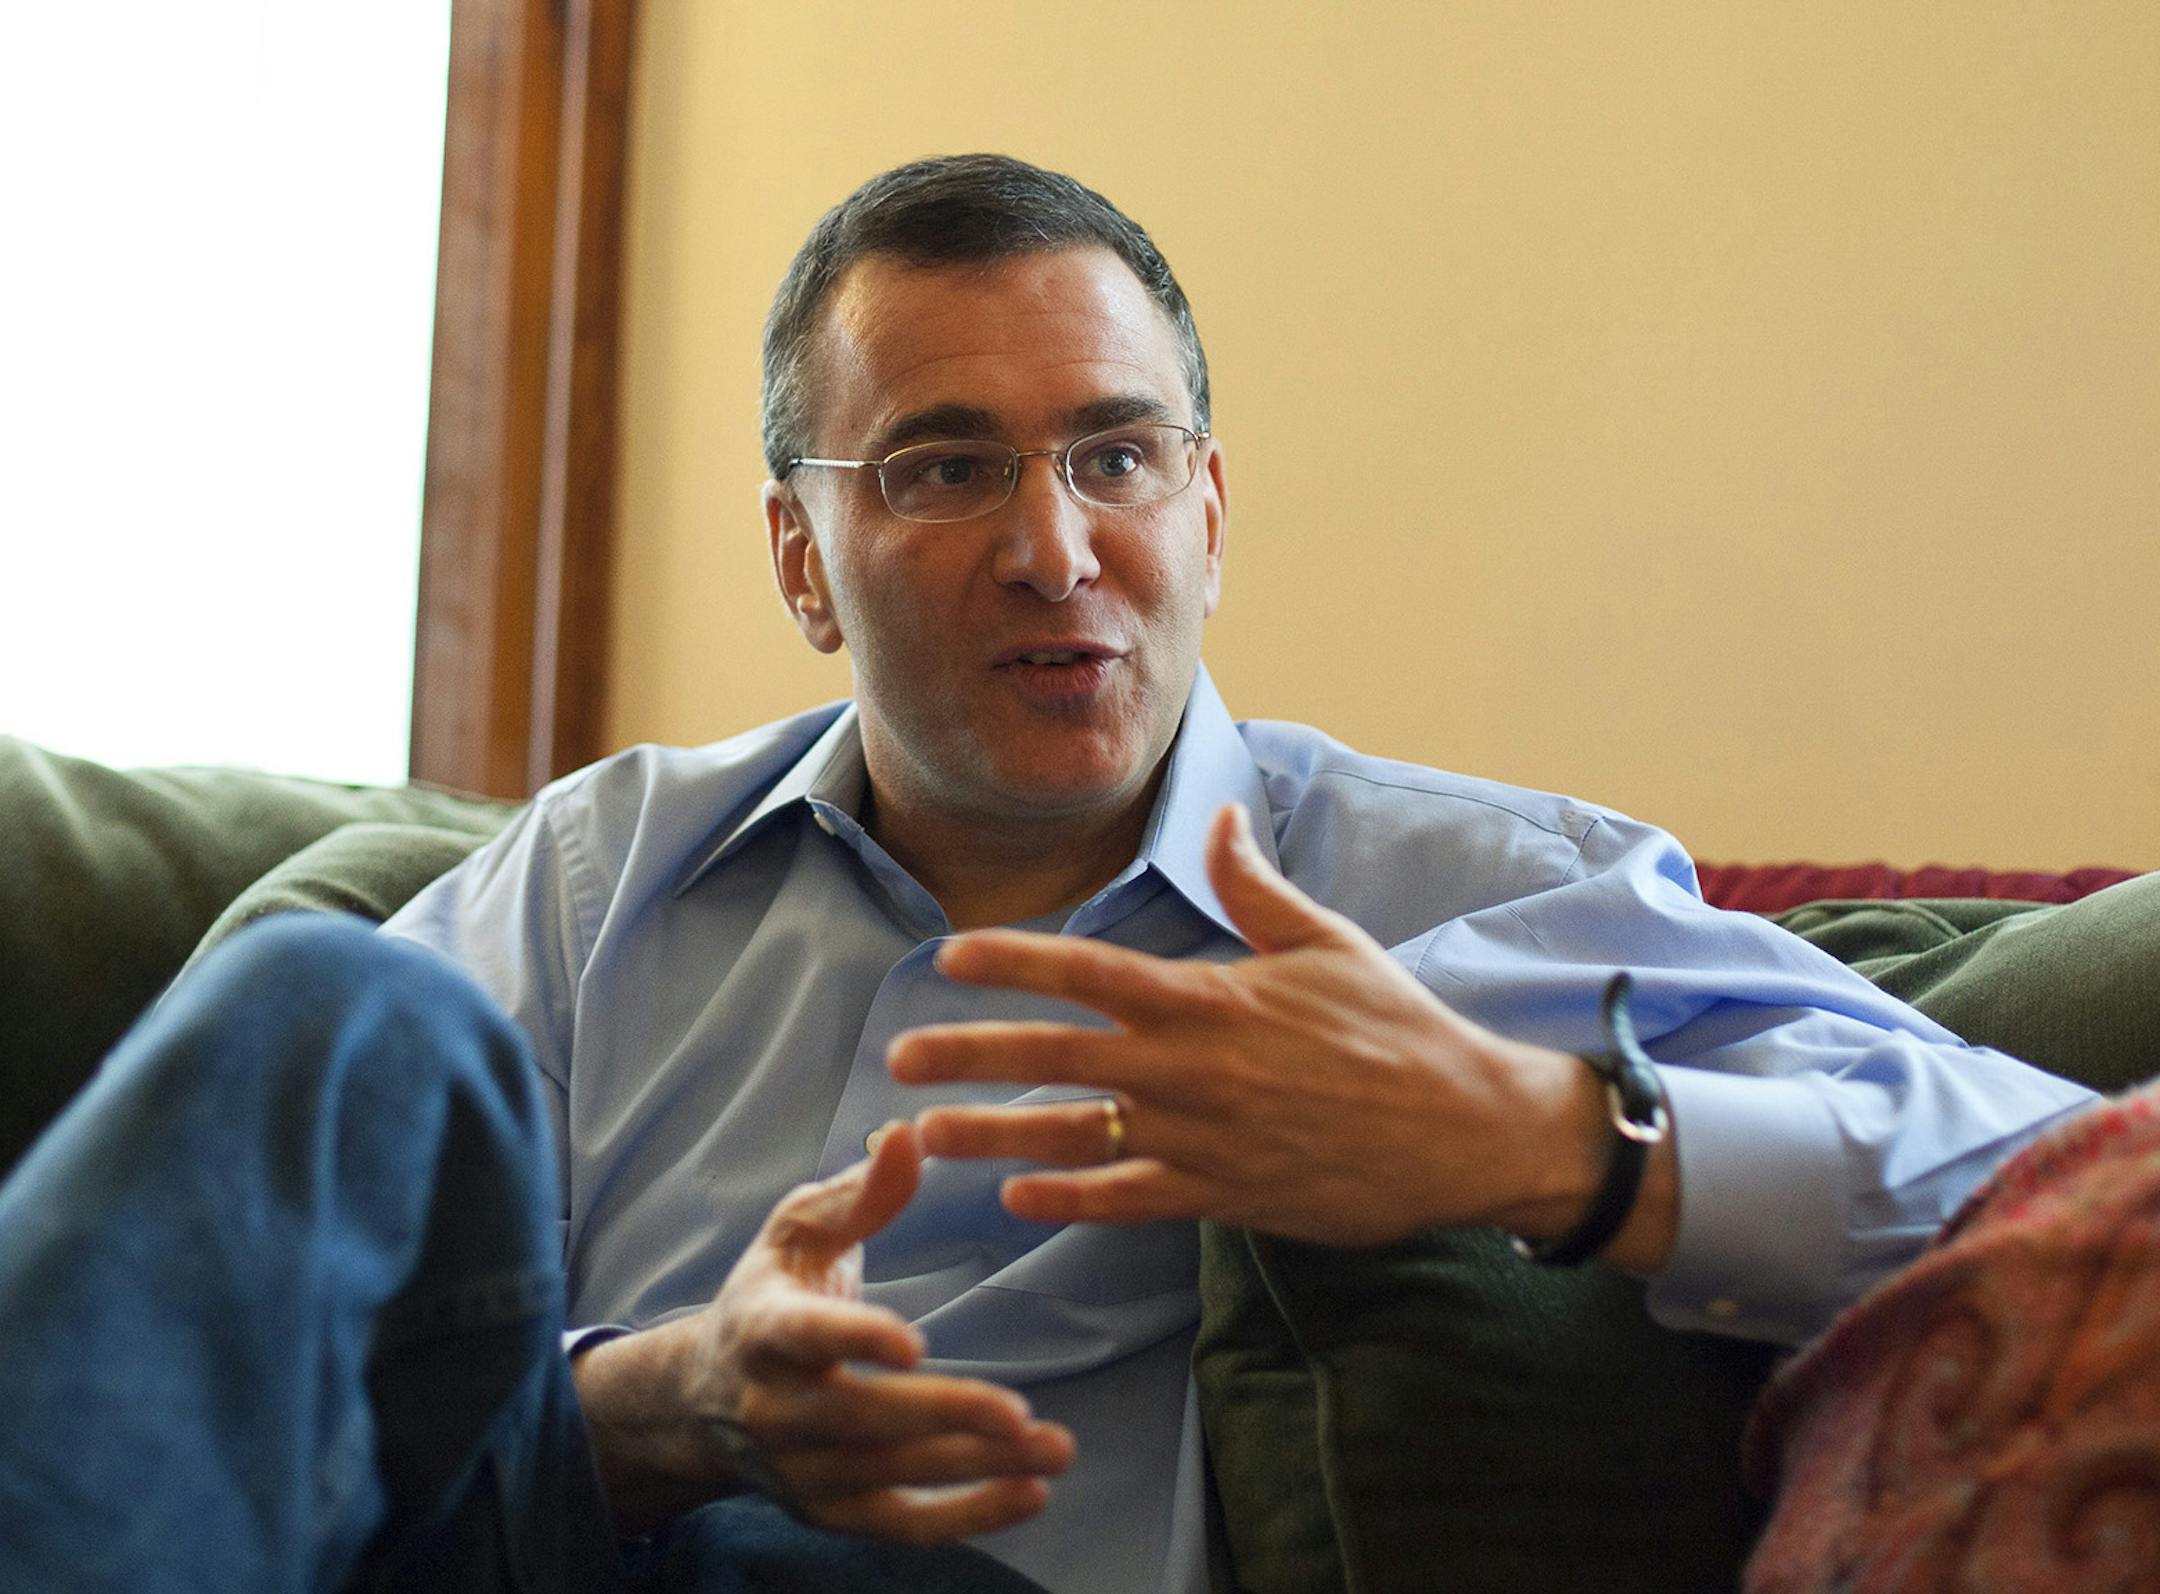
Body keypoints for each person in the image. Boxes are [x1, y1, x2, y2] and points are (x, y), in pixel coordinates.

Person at [0, 154, 2095, 1594]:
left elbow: (2078, 1193)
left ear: (1207, 503)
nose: (1055, 546)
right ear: (801, 557)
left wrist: (1555, 1137)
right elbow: (288, 1397)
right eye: (942, 466)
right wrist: (680, 1403)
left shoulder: (1463, 893)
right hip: (546, 1535)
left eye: (1114, 453)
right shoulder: (593, 875)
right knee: (322, 1010)